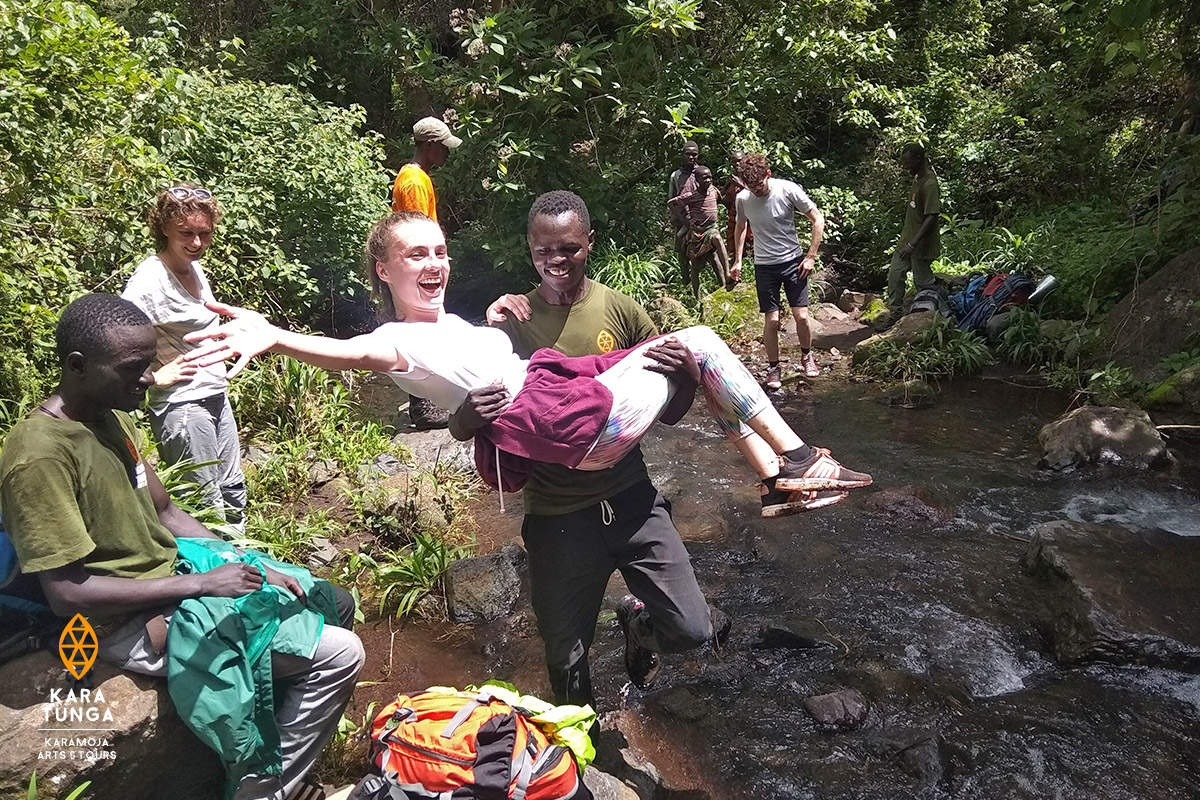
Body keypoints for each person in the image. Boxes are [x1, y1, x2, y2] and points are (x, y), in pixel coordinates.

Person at [450, 192, 868, 713]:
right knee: (565, 657)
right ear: (529, 250)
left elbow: (666, 410)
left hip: (632, 499)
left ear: (590, 244)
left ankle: (639, 626)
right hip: (556, 515)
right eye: (543, 251)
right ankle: (585, 760)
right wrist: (467, 415)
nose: (556, 260)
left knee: (693, 631)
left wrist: (690, 378)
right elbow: (466, 419)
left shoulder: (619, 310)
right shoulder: (511, 319)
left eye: (569, 248)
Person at [186, 211, 870, 513]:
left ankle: (777, 478)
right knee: (701, 341)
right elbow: (349, 354)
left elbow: (484, 365)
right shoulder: (395, 340)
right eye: (414, 254)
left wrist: (492, 326)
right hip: (571, 429)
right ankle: (800, 458)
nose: (433, 263)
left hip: (573, 413)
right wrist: (274, 336)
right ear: (383, 268)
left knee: (703, 367)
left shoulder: (455, 322)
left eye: (438, 251)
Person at [0, 294, 365, 800]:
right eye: (133, 369)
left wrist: (247, 562)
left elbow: (167, 513)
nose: (149, 378)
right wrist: (203, 585)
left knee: (327, 599)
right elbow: (67, 593)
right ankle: (265, 790)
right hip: (114, 619)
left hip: (171, 580)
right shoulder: (40, 456)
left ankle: (263, 749)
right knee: (340, 654)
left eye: (148, 364)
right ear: (78, 367)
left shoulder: (108, 415)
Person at [121, 184, 246, 531]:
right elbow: (115, 337)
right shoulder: (150, 280)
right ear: (164, 228)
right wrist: (152, 378)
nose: (196, 243)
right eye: (186, 234)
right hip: (183, 406)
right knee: (204, 505)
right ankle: (218, 578)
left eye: (204, 234)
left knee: (233, 491)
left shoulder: (194, 268)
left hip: (214, 394)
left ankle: (251, 569)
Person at [731, 153, 826, 388]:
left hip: (793, 261)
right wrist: (738, 260)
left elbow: (817, 219)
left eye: (759, 185)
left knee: (802, 317)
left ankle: (806, 356)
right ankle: (774, 368)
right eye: (750, 187)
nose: (756, 191)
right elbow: (741, 227)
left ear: (768, 175)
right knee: (771, 321)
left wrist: (811, 256)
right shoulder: (743, 198)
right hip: (764, 265)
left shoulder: (787, 190)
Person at [392, 115, 462, 430]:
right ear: (431, 145)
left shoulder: (417, 177)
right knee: (423, 330)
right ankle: (422, 408)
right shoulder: (414, 182)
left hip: (420, 269)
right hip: (419, 271)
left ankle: (427, 400)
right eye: (444, 147)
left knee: (428, 330)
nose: (447, 153)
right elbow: (415, 232)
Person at [887, 143, 941, 321]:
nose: (905, 167)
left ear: (919, 159)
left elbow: (931, 216)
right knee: (895, 275)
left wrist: (914, 243)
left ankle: (933, 317)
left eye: (908, 163)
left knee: (924, 283)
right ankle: (894, 315)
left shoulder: (930, 184)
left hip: (920, 245)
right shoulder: (917, 179)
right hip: (906, 241)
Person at [667, 165, 731, 299]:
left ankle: (727, 277)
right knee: (696, 267)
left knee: (717, 242)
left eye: (710, 177)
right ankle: (697, 298)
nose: (708, 180)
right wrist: (685, 221)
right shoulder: (692, 195)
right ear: (697, 181)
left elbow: (721, 200)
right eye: (704, 178)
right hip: (698, 232)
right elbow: (672, 203)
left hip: (711, 229)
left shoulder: (713, 191)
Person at [667, 141, 701, 284]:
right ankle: (686, 284)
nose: (691, 157)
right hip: (682, 220)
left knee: (701, 252)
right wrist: (679, 218)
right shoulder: (676, 176)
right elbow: (671, 199)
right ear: (683, 155)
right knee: (682, 253)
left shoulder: (702, 173)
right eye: (688, 154)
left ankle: (699, 284)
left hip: (700, 220)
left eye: (694, 155)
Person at [721, 151, 751, 260]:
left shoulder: (751, 177)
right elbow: (726, 202)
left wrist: (741, 184)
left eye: (739, 161)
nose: (737, 164)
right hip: (734, 218)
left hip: (750, 217)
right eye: (734, 163)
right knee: (733, 246)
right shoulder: (732, 180)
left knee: (749, 247)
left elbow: (756, 195)